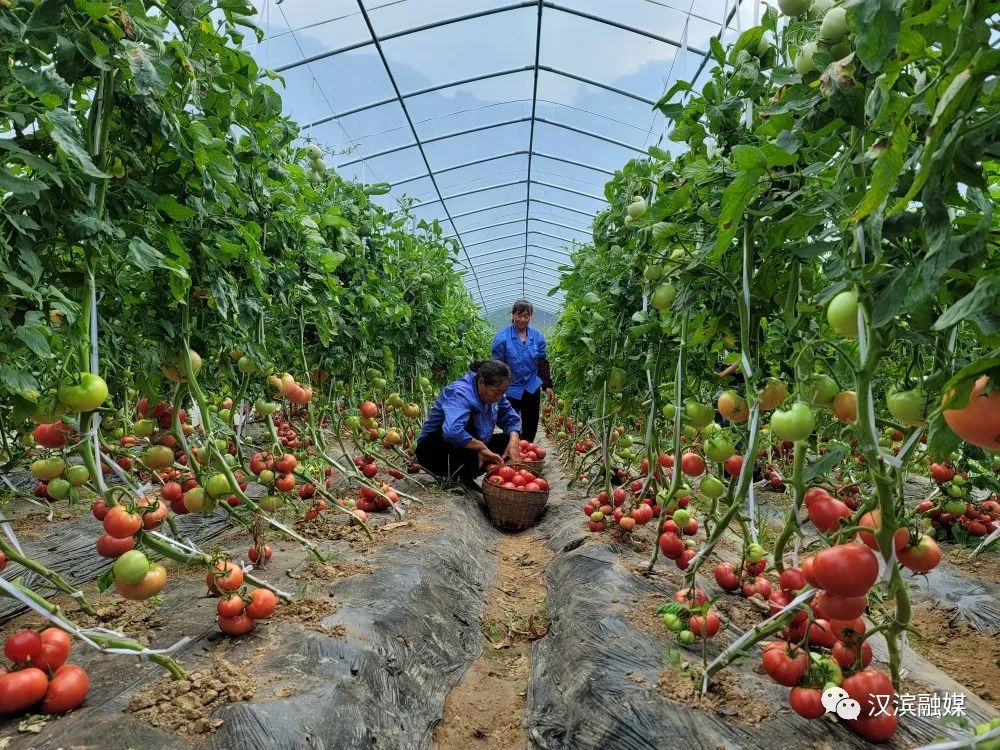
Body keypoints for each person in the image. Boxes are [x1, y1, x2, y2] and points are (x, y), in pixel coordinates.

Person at [415, 360, 522, 491]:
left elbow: (511, 418)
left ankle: (466, 476)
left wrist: (514, 442)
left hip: (465, 450)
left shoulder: (495, 394)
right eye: (496, 392)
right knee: (464, 428)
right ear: (481, 382)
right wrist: (481, 447)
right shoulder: (461, 392)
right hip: (435, 451)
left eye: (503, 392)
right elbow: (452, 431)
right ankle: (456, 477)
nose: (500, 396)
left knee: (507, 442)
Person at [491, 299, 554, 443]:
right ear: (512, 315)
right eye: (519, 315)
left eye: (526, 316)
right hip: (510, 387)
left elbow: (542, 362)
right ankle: (511, 451)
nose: (522, 319)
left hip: (531, 386)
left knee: (531, 423)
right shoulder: (502, 338)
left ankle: (527, 451)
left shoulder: (537, 337)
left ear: (530, 317)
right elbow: (497, 366)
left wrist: (547, 385)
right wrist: (497, 388)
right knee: (510, 422)